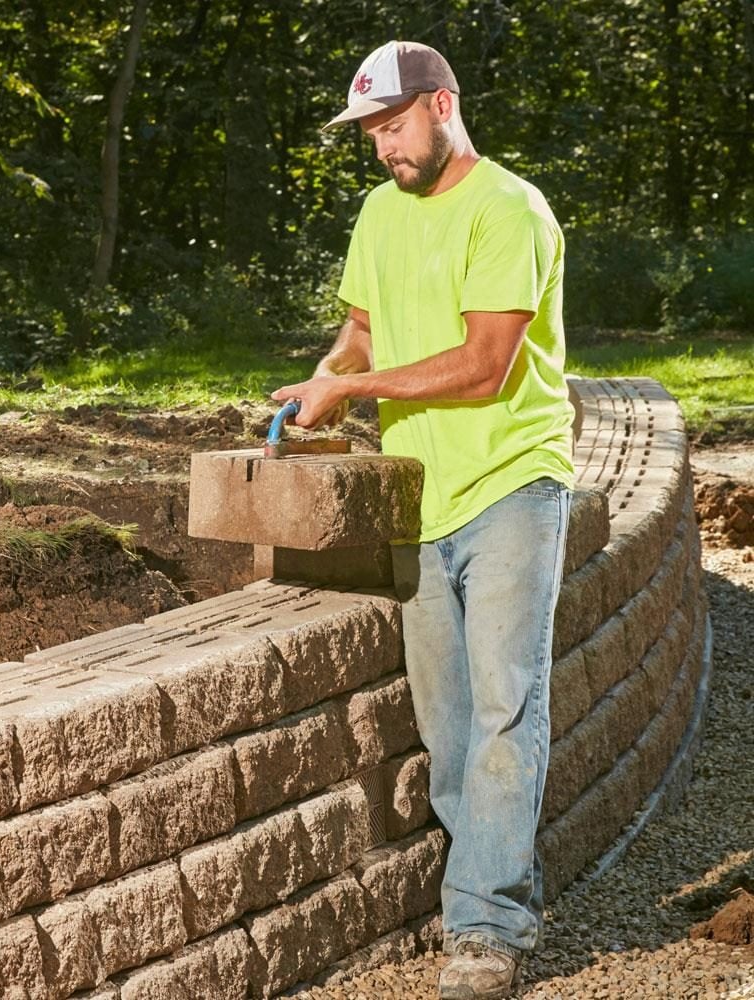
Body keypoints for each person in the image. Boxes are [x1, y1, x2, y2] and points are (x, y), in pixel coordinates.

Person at [270, 40, 575, 1000]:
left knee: (502, 707)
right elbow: (361, 328)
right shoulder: (378, 211)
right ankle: (490, 879)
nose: (383, 150)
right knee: (448, 726)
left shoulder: (508, 210)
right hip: (420, 497)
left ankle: (487, 928)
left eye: (394, 127)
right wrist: (324, 382)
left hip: (511, 484)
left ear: (443, 105)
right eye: (370, 134)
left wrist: (356, 386)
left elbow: (485, 363)